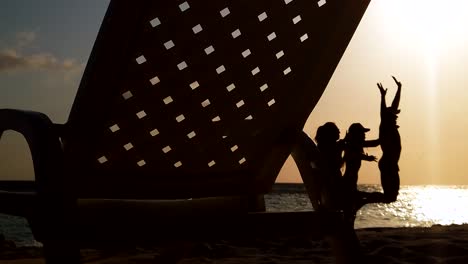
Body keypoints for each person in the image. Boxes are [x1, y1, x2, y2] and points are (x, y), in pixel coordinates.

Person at [342, 123, 379, 211]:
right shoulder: (350, 145)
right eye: (362, 133)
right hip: (348, 183)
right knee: (351, 206)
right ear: (356, 135)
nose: (364, 135)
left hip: (350, 183)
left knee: (352, 207)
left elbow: (375, 143)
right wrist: (366, 157)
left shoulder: (356, 145)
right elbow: (354, 155)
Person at [377, 76, 402, 202]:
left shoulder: (391, 126)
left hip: (392, 164)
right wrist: (382, 97)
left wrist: (399, 88)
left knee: (393, 196)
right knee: (389, 196)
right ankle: (363, 199)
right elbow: (383, 111)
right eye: (393, 116)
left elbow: (395, 104)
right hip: (388, 164)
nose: (396, 117)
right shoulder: (386, 125)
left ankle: (364, 198)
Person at [314, 122, 345, 209]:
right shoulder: (330, 147)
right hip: (332, 182)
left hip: (328, 182)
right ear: (331, 133)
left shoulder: (322, 146)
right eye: (337, 130)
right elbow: (336, 165)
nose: (339, 132)